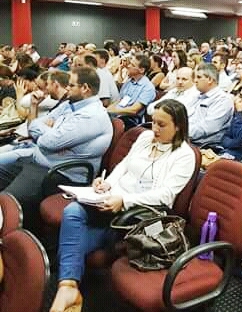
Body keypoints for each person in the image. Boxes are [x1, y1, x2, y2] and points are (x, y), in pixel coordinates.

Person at [48, 99, 196, 312]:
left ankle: (68, 285)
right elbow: (124, 166)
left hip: (138, 215)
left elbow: (165, 196)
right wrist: (106, 182)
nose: (154, 128)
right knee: (73, 210)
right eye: (153, 122)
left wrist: (125, 201)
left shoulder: (184, 155)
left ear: (179, 126)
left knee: (72, 238)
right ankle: (68, 287)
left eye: (161, 125)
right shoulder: (145, 137)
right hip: (111, 200)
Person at [0, 67, 113, 225]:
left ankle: (14, 241)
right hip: (38, 161)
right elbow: (34, 126)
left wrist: (49, 132)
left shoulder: (91, 116)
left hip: (59, 173)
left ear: (85, 88)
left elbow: (48, 143)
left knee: (7, 203)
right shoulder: (70, 104)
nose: (67, 88)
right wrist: (51, 131)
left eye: (71, 85)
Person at [107, 54, 156, 129]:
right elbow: (118, 101)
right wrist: (107, 110)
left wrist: (112, 111)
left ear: (141, 70)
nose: (128, 66)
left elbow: (134, 110)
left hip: (130, 120)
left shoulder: (148, 87)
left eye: (132, 65)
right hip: (116, 114)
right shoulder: (129, 81)